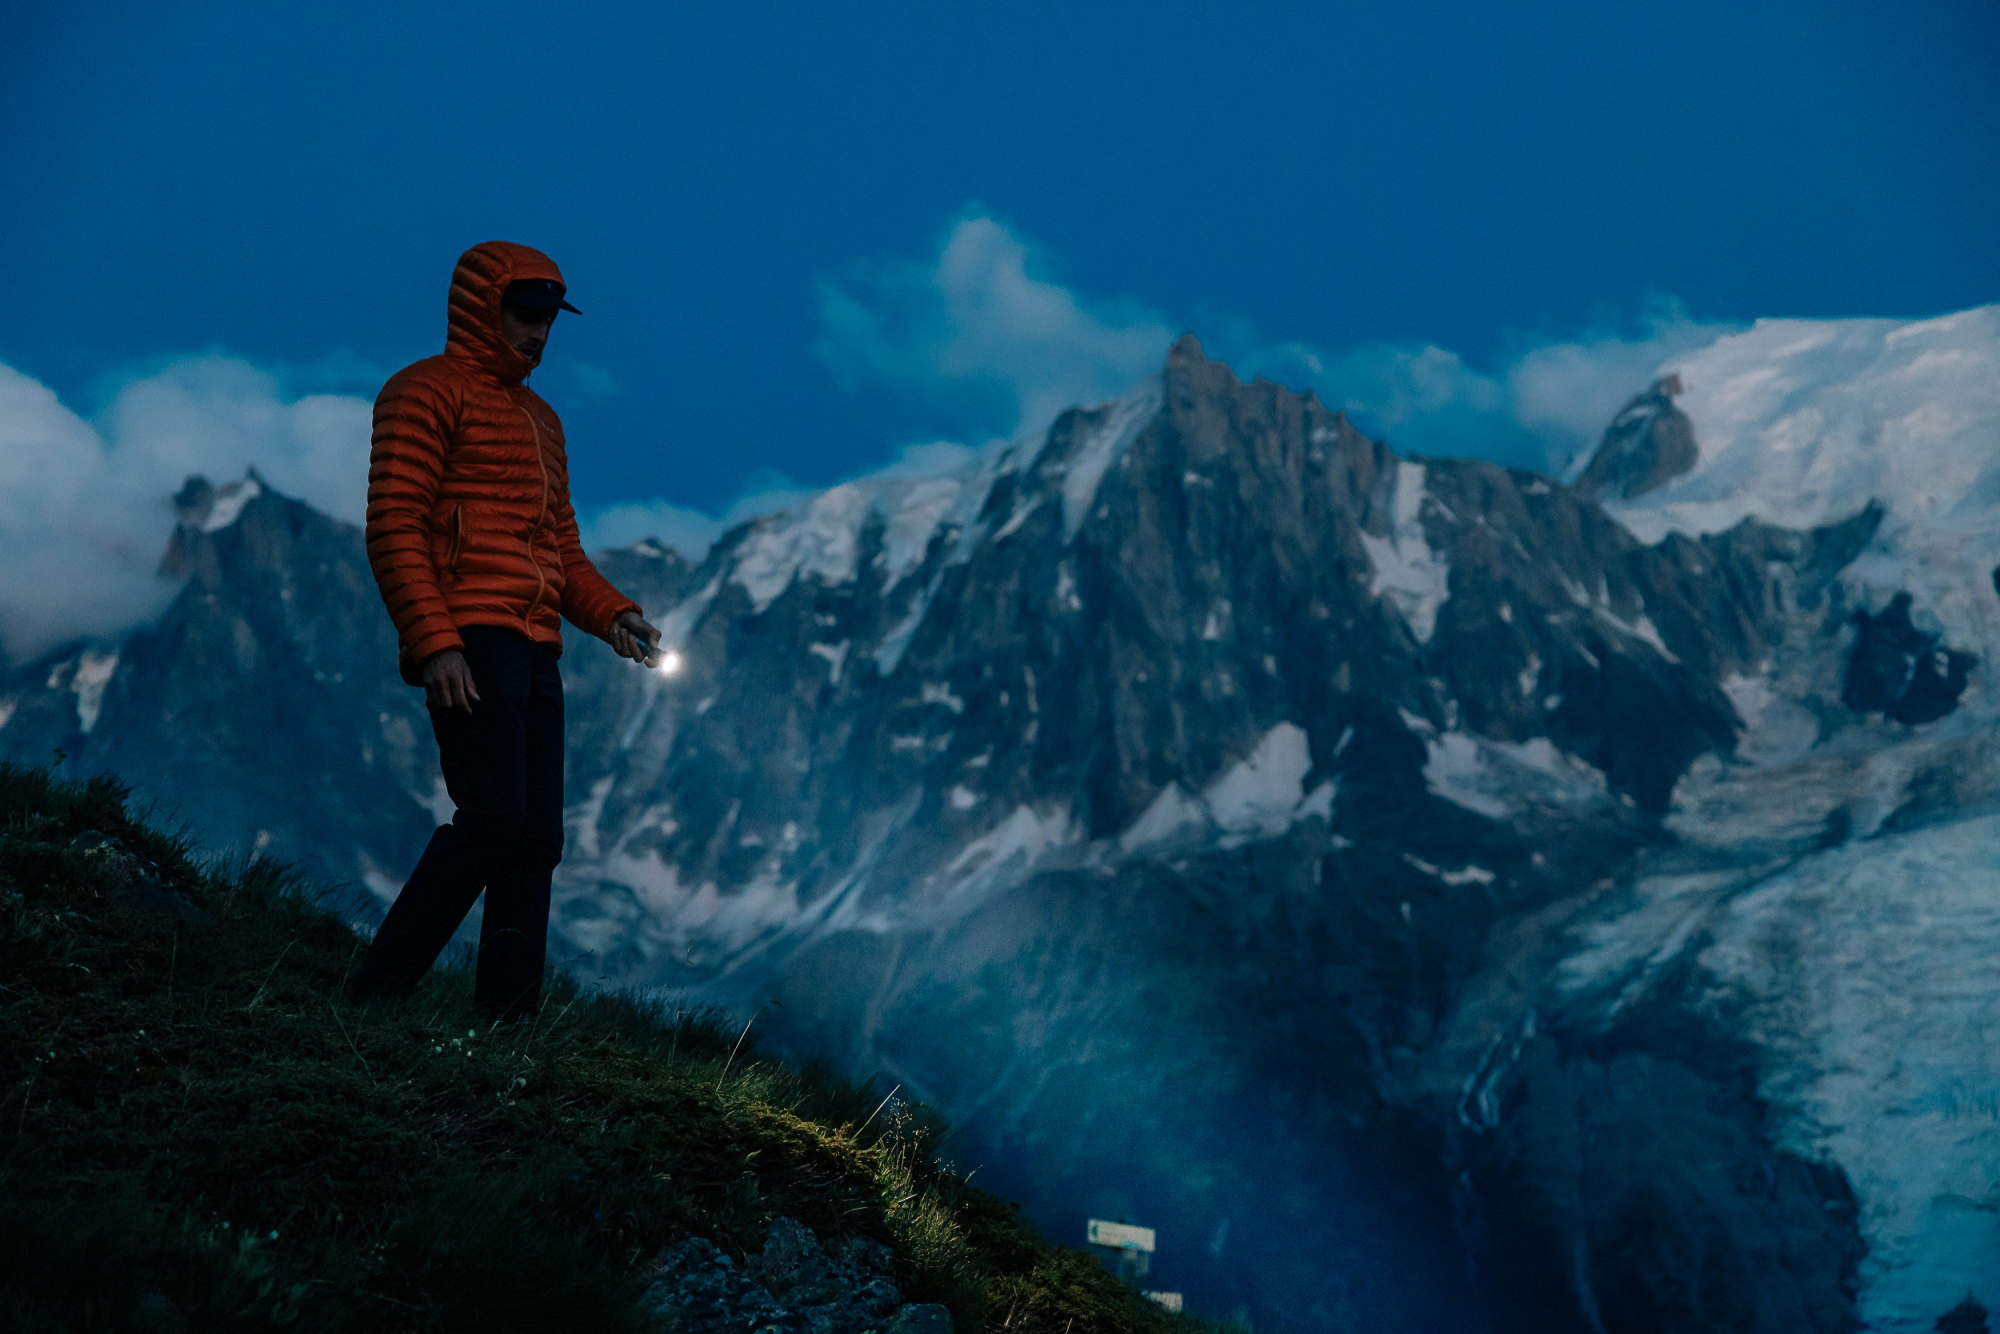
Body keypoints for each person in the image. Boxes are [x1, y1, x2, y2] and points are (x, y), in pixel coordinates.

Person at [344, 239, 660, 1023]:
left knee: (535, 840)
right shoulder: (421, 392)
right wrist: (436, 641)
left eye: (549, 318)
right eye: (525, 313)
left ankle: (506, 1025)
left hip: (537, 647)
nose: (539, 332)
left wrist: (613, 613)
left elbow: (562, 551)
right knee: (492, 819)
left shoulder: (543, 421)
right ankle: (373, 999)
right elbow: (394, 525)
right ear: (481, 306)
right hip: (472, 639)